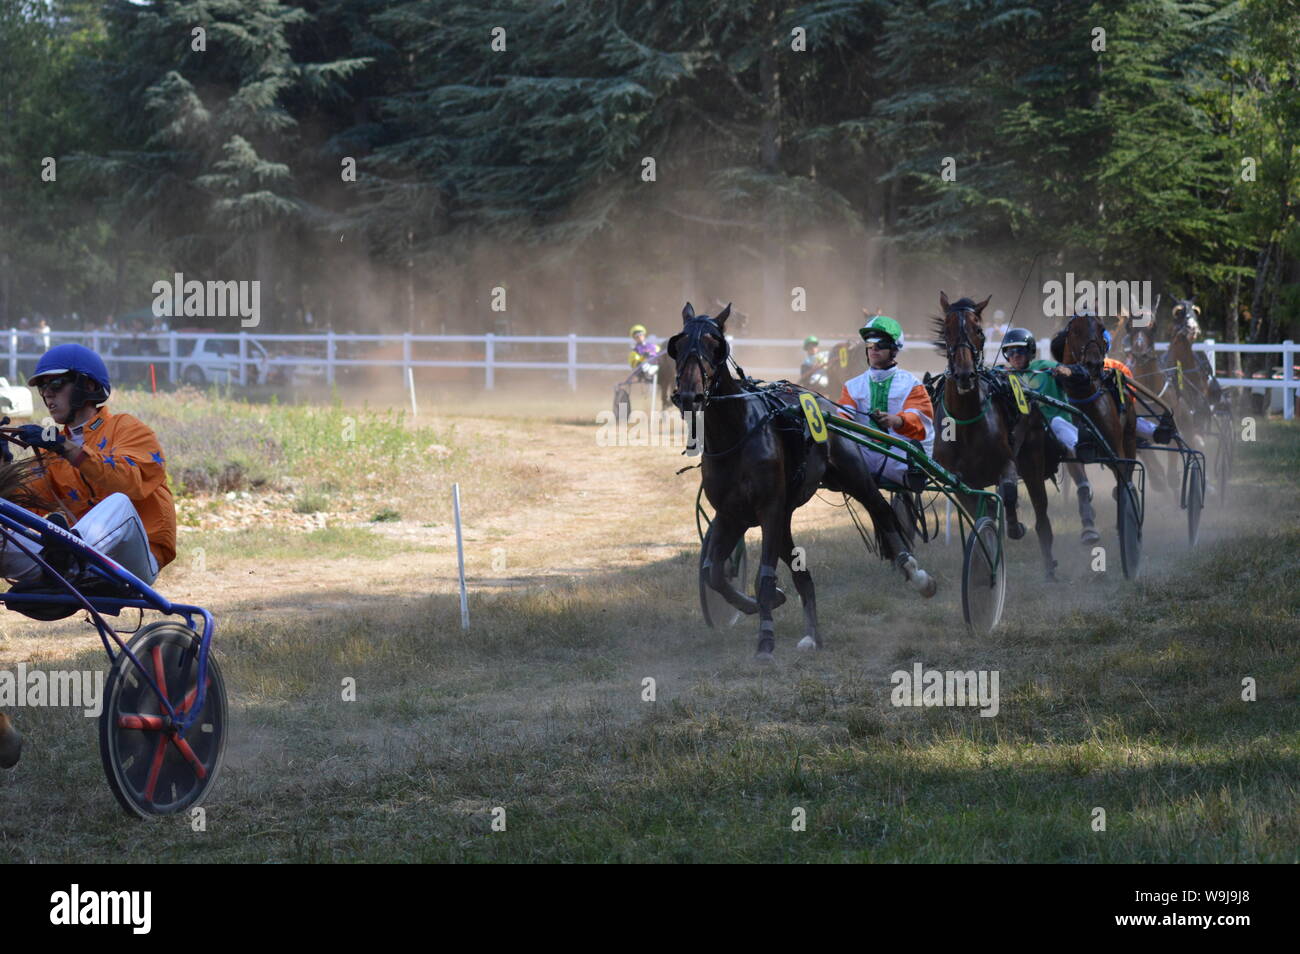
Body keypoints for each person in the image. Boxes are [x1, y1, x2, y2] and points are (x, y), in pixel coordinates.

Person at [837, 315, 933, 487]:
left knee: (909, 459)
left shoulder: (912, 385)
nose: (874, 349)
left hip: (899, 453)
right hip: (863, 454)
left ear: (894, 350)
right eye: (869, 344)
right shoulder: (851, 386)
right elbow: (843, 419)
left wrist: (897, 420)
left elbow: (921, 421)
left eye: (880, 344)